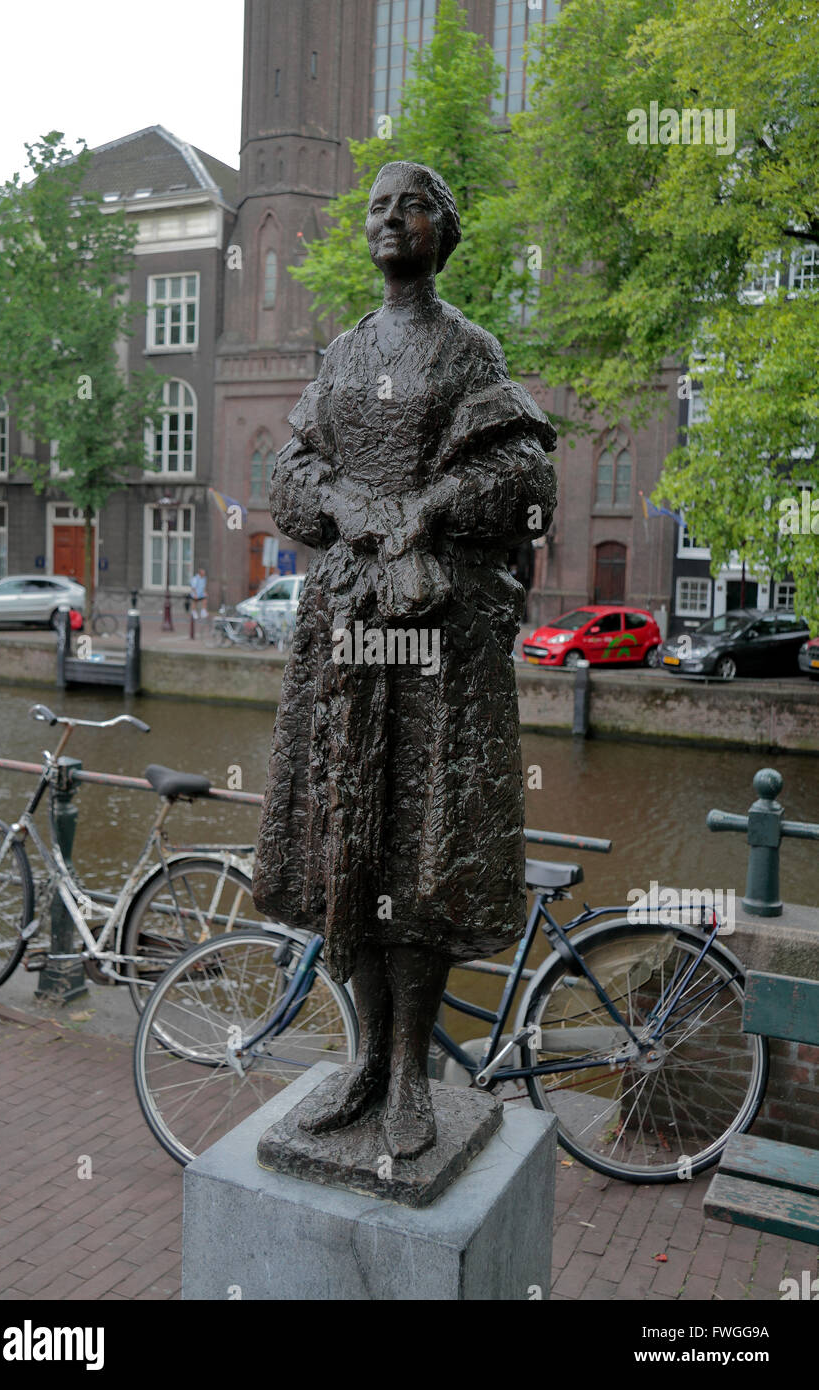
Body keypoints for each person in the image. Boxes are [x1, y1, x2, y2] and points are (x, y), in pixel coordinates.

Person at [252, 161, 557, 1160]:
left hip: (432, 645)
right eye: (377, 206)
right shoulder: (341, 355)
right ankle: (363, 1062)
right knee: (353, 839)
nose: (389, 218)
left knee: (419, 841)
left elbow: (523, 468)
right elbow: (290, 470)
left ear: (443, 231)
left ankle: (410, 1074)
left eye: (409, 204)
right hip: (346, 635)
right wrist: (351, 507)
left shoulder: (468, 350)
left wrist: (419, 510)